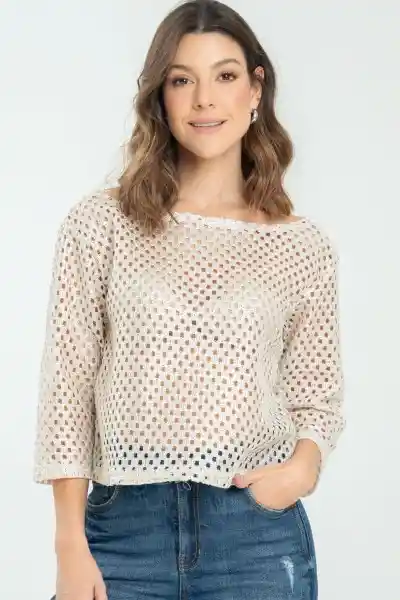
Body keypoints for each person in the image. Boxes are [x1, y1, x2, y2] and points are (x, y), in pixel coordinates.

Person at [33, 1, 345, 599]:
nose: (204, 100)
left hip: (255, 539)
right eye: (182, 80)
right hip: (121, 535)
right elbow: (68, 384)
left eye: (225, 76)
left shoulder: (301, 246)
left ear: (256, 89)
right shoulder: (101, 224)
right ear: (161, 96)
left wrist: (300, 470)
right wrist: (69, 543)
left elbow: (317, 394)